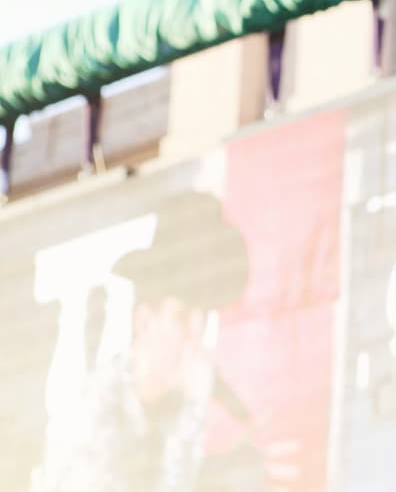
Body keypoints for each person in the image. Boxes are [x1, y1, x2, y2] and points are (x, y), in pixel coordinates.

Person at [31, 192, 259, 492]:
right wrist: (194, 409)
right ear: (144, 322)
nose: (195, 338)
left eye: (201, 320)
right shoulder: (94, 410)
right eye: (180, 318)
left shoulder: (169, 410)